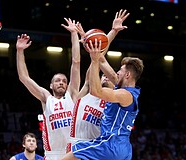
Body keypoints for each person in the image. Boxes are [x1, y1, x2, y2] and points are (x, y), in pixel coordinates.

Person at [62, 35, 144, 159]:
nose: (117, 73)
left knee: (70, 156)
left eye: (120, 71)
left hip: (110, 143)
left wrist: (94, 61)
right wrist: (88, 39)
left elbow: (96, 91)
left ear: (127, 75)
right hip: (123, 149)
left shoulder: (125, 95)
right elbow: (102, 61)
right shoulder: (123, 87)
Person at [66, 9, 130, 152]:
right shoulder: (88, 90)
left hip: (97, 149)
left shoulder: (113, 102)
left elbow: (102, 60)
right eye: (102, 75)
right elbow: (98, 56)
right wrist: (113, 32)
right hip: (75, 146)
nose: (105, 76)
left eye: (109, 76)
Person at [16, 17, 81, 160]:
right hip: (52, 155)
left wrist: (74, 34)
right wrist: (20, 51)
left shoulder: (72, 94)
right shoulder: (47, 98)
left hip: (72, 152)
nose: (62, 83)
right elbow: (24, 78)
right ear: (51, 85)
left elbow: (76, 63)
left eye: (64, 81)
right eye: (57, 81)